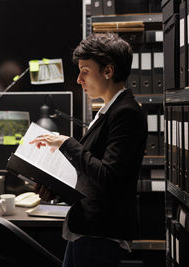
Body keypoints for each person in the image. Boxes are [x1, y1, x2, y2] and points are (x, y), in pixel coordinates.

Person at [30, 33, 147, 267]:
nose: (79, 79)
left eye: (85, 70)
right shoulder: (106, 111)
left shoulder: (126, 113)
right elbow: (92, 175)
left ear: (108, 71)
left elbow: (109, 177)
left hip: (100, 233)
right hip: (87, 229)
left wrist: (66, 143)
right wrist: (58, 189)